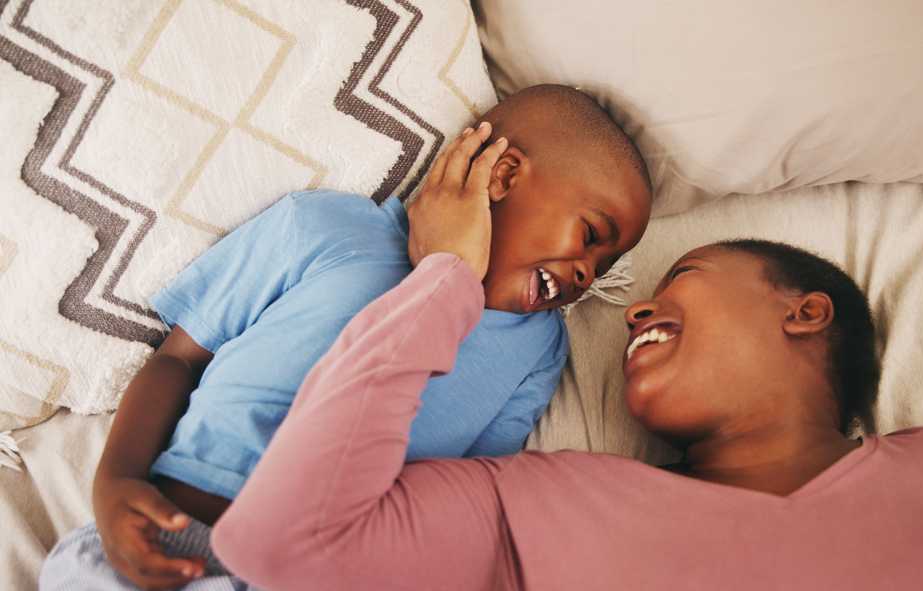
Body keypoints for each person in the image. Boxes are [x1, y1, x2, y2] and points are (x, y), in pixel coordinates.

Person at [211, 128, 923, 590]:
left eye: (680, 274)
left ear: (805, 313)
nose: (634, 302)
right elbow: (282, 541)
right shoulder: (531, 498)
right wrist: (445, 278)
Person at [39, 86, 652, 590]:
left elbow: (469, 492)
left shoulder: (537, 350)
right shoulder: (323, 226)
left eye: (605, 265)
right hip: (169, 533)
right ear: (503, 174)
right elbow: (178, 358)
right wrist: (115, 482)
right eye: (592, 235)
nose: (586, 275)